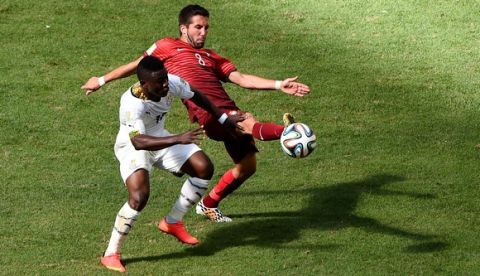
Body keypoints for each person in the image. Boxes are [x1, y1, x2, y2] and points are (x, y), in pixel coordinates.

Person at [81, 4, 310, 223]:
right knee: (248, 123)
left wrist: (279, 84)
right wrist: (101, 80)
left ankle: (209, 204)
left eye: (206, 28)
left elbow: (241, 79)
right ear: (184, 28)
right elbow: (136, 65)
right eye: (198, 27)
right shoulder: (166, 46)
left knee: (247, 166)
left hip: (227, 109)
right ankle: (290, 132)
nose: (203, 32)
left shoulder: (211, 57)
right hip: (211, 115)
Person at [99, 56, 241, 272]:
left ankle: (172, 222)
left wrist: (223, 119)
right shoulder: (130, 104)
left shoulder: (171, 83)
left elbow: (198, 95)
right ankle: (110, 254)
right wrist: (177, 139)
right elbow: (138, 141)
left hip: (161, 139)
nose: (166, 84)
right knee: (139, 197)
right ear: (144, 84)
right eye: (160, 82)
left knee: (203, 167)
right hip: (134, 147)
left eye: (165, 78)